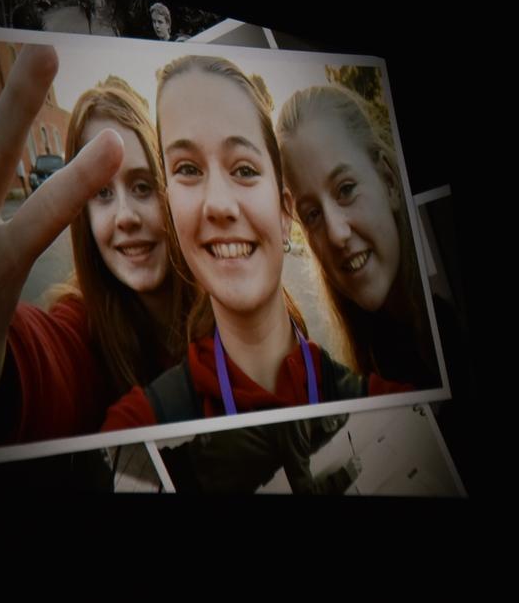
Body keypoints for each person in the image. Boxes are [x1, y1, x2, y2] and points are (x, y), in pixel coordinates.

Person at [101, 55, 412, 438]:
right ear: (170, 208)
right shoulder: (138, 429)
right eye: (188, 169)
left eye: (244, 170)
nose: (218, 204)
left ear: (284, 212)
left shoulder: (399, 413)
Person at [0, 45, 191, 466]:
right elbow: (47, 365)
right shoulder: (82, 326)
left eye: (142, 186)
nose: (125, 217)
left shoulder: (223, 302)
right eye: (101, 193)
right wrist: (1, 378)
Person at [276, 84, 441, 387]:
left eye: (346, 189)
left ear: (389, 181)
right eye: (312, 214)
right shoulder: (375, 358)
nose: (336, 234)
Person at [158, 413, 361, 494]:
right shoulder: (298, 425)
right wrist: (344, 477)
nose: (335, 420)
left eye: (340, 420)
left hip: (198, 461)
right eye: (337, 412)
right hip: (201, 477)